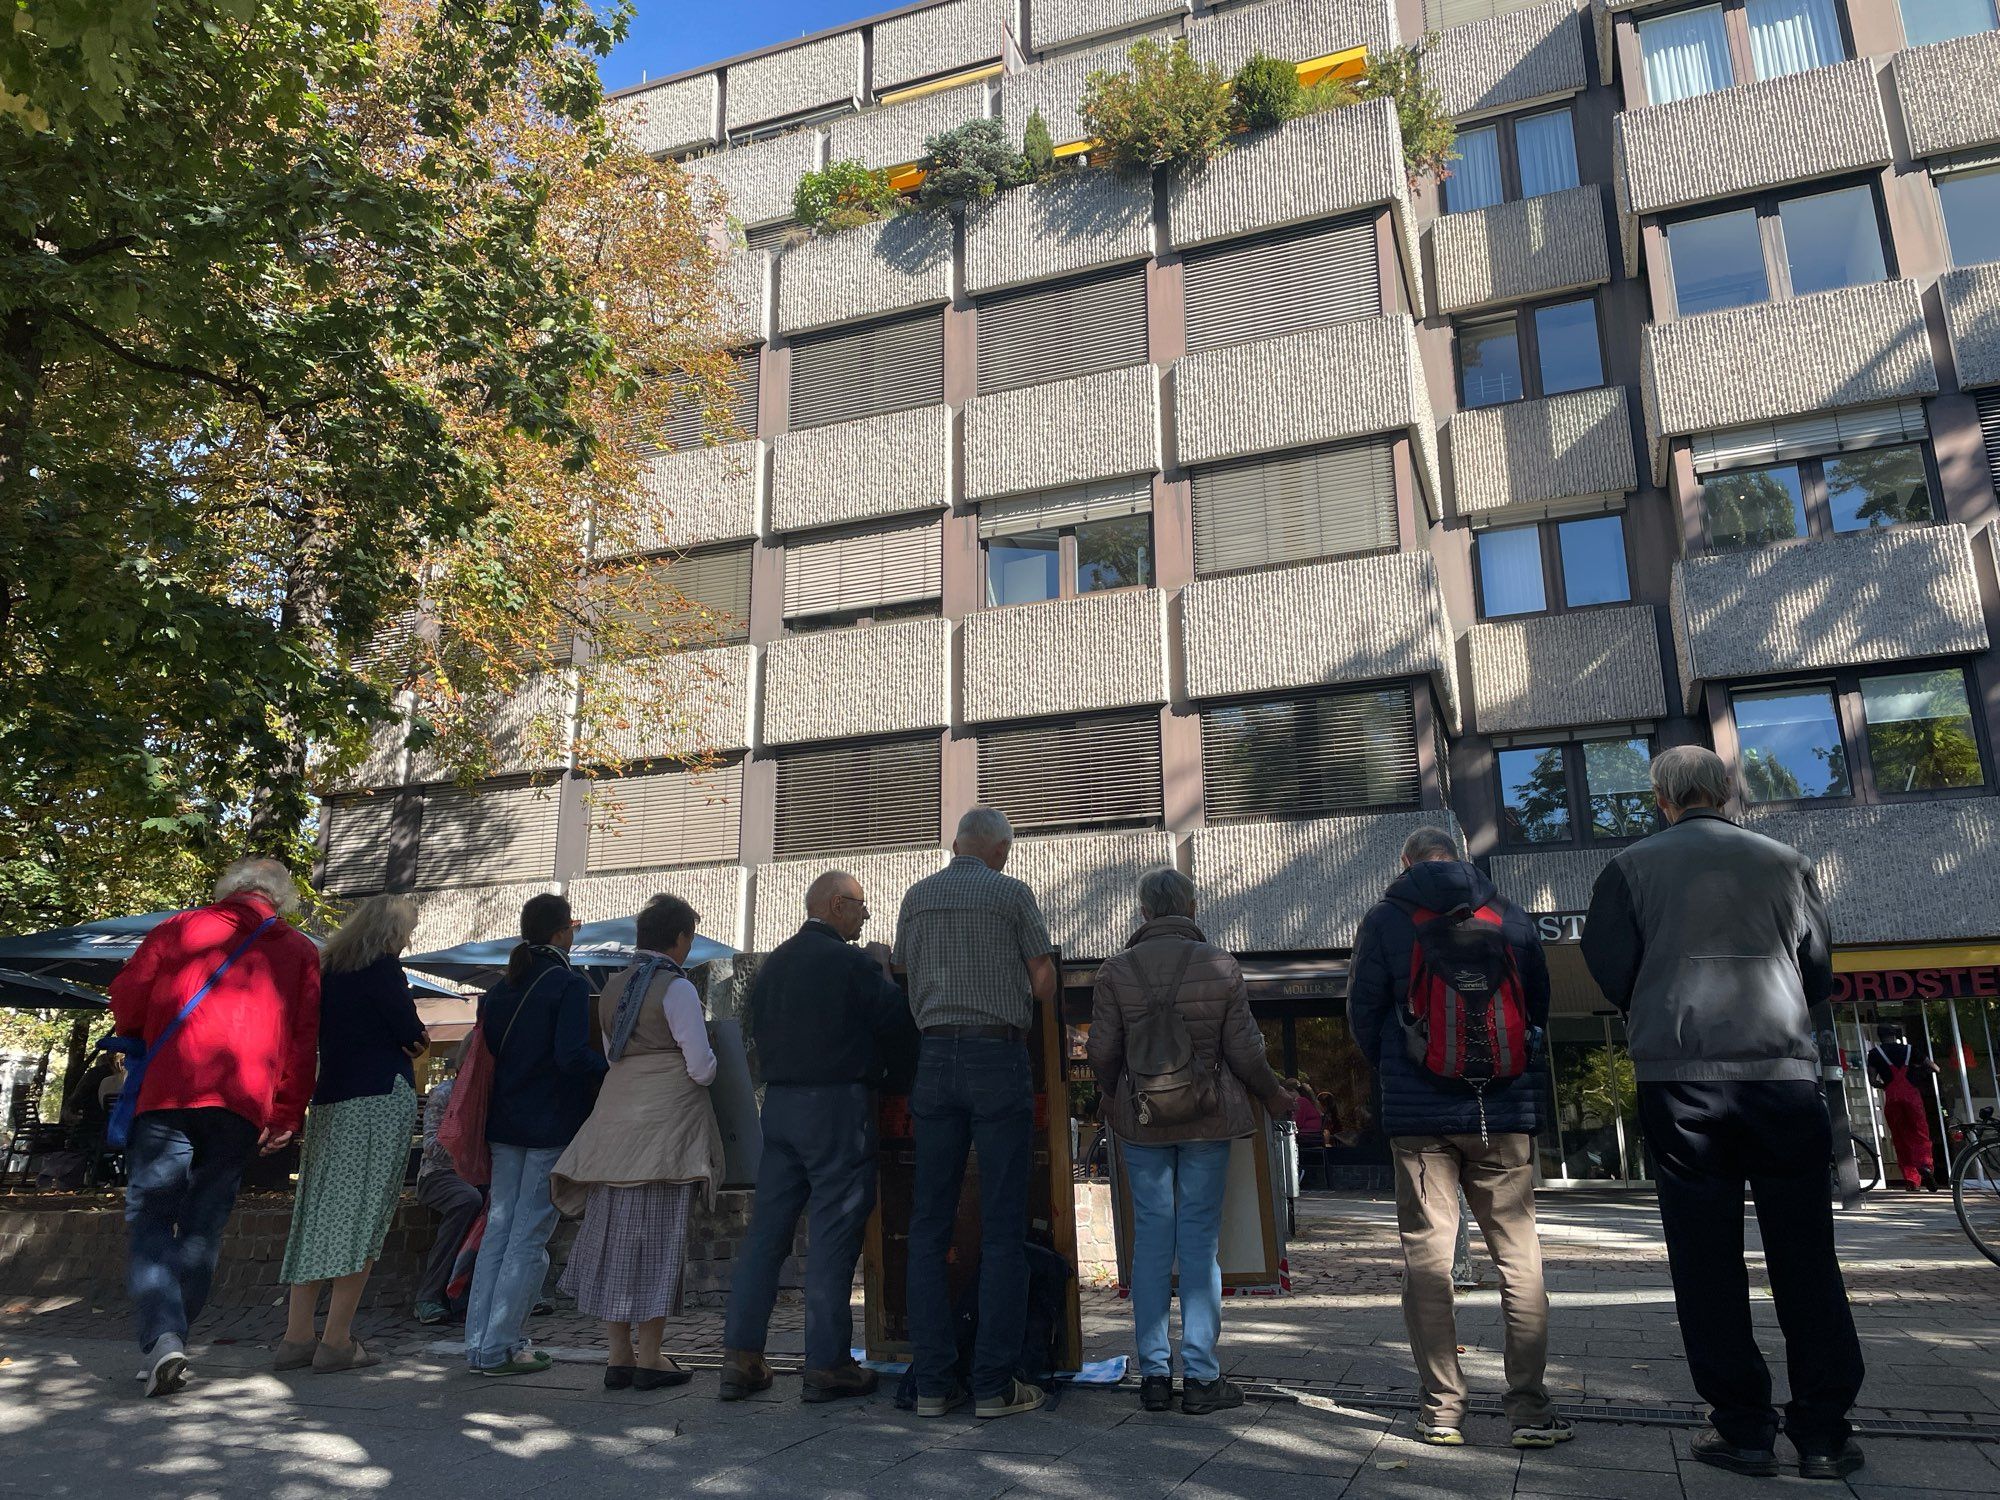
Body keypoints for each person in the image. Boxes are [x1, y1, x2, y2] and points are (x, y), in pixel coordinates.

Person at [1582, 745, 1864, 1481]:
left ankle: (1742, 1427)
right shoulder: (1786, 863)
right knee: (1805, 1254)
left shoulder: (1630, 869)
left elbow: (1612, 968)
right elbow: (1819, 971)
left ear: (1661, 798)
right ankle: (1825, 1433)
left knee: (1705, 1260)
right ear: (1726, 791)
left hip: (1681, 1079)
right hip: (1779, 1074)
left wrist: (1660, 1002)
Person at [1349, 826, 1571, 1452]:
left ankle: (1442, 1410)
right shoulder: (1510, 915)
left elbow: (1363, 1012)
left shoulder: (1387, 919)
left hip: (1421, 1119)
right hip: (1503, 1112)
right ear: (1462, 859)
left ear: (1406, 861)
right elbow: (1538, 1010)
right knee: (1519, 1258)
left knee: (1428, 1258)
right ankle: (1529, 1410)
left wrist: (1400, 1067)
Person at [108, 857, 321, 1397]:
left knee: (152, 1217)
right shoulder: (298, 952)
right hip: (241, 1104)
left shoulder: (181, 927)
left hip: (167, 1092)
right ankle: (171, 1337)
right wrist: (287, 1113)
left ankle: (163, 1336)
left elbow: (127, 999)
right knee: (204, 1223)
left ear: (231, 889)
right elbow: (302, 1041)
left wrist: (145, 1026)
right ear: (280, 900)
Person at [1087, 867, 1294, 1415]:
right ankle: (1201, 1377)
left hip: (1142, 1121)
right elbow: (1245, 1050)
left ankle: (1154, 1374)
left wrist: (1113, 1097)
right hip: (1207, 1117)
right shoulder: (1220, 966)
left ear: (1143, 912)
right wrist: (1273, 1097)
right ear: (1192, 908)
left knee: (1152, 1240)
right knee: (1199, 1243)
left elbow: (1101, 1051)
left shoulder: (1115, 971)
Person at [721, 870, 919, 1404]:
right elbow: (898, 1019)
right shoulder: (850, 962)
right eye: (861, 905)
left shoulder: (773, 965)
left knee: (766, 1234)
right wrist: (880, 966)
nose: (865, 915)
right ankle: (827, 1362)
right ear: (836, 904)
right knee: (833, 1234)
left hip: (780, 1107)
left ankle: (740, 1357)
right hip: (836, 1106)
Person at [896, 807, 1058, 1421]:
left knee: (929, 1222)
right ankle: (994, 1384)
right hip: (997, 1056)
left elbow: (904, 968)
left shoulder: (918, 894)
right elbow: (1042, 980)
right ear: (1000, 850)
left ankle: (933, 1383)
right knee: (1001, 1223)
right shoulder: (1012, 894)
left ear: (956, 843)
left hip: (934, 1055)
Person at [551, 894, 723, 1391]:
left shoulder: (612, 988)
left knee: (613, 1239)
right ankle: (650, 1357)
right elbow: (700, 1066)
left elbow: (613, 1055)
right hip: (664, 1129)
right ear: (681, 938)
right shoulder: (676, 988)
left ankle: (618, 1355)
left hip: (615, 1123)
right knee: (658, 1240)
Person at [274, 894, 428, 1373]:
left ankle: (297, 1336)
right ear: (393, 933)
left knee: (318, 1213)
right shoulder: (383, 971)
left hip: (330, 1099)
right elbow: (413, 1033)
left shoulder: (326, 971)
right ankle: (336, 1339)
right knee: (363, 1217)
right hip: (379, 1099)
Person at [461, 893, 606, 1377]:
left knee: (499, 1230)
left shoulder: (502, 990)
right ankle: (502, 1345)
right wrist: (610, 1069)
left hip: (504, 1124)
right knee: (528, 1236)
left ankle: (479, 1344)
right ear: (563, 931)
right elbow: (570, 1056)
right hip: (550, 1122)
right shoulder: (564, 984)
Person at [413, 1070, 482, 1325]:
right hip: (438, 1174)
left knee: (503, 1202)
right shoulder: (445, 1093)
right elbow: (431, 1148)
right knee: (468, 1199)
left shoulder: (490, 1094)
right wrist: (462, 1128)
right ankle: (429, 1296)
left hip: (478, 1174)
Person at [1866, 1023, 1940, 1192]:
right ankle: (1925, 1166)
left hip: (1892, 1099)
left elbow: (1872, 1080)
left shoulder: (1875, 1054)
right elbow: (1935, 1067)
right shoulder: (1909, 1050)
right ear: (1895, 1035)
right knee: (1920, 1134)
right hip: (1912, 1098)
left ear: (1880, 1037)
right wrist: (1917, 1071)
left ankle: (1912, 1181)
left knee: (1901, 1138)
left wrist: (1884, 1085)